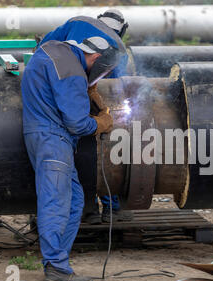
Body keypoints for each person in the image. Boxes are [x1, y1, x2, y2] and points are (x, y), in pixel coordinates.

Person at [21, 36, 119, 281]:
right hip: (52, 138)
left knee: (75, 200)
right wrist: (101, 123)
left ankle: (58, 262)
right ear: (95, 58)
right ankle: (56, 267)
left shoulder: (54, 49)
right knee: (57, 200)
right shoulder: (73, 72)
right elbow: (76, 123)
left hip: (42, 134)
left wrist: (85, 90)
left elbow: (55, 88)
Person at [37, 10, 131, 225]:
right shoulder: (117, 48)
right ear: (123, 30)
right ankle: (110, 208)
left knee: (77, 154)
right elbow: (114, 83)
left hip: (60, 95)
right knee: (102, 154)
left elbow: (45, 46)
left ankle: (86, 208)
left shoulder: (77, 22)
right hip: (81, 98)